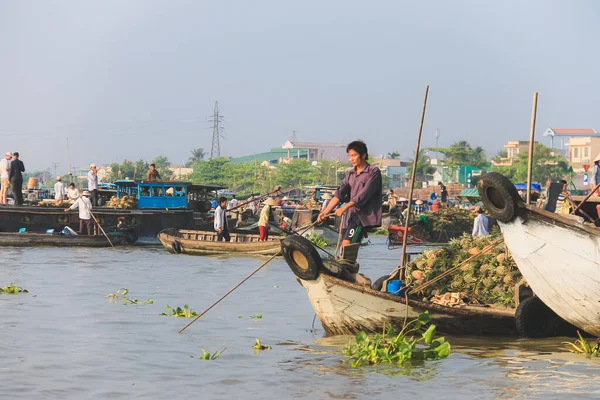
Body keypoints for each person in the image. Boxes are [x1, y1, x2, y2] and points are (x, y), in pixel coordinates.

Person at [318, 140, 382, 247]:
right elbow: (339, 194)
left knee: (346, 245)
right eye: (350, 156)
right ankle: (347, 264)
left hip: (362, 218)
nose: (351, 159)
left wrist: (343, 208)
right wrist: (325, 212)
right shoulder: (350, 175)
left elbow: (362, 196)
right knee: (342, 248)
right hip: (349, 217)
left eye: (354, 155)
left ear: (363, 155)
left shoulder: (373, 172)